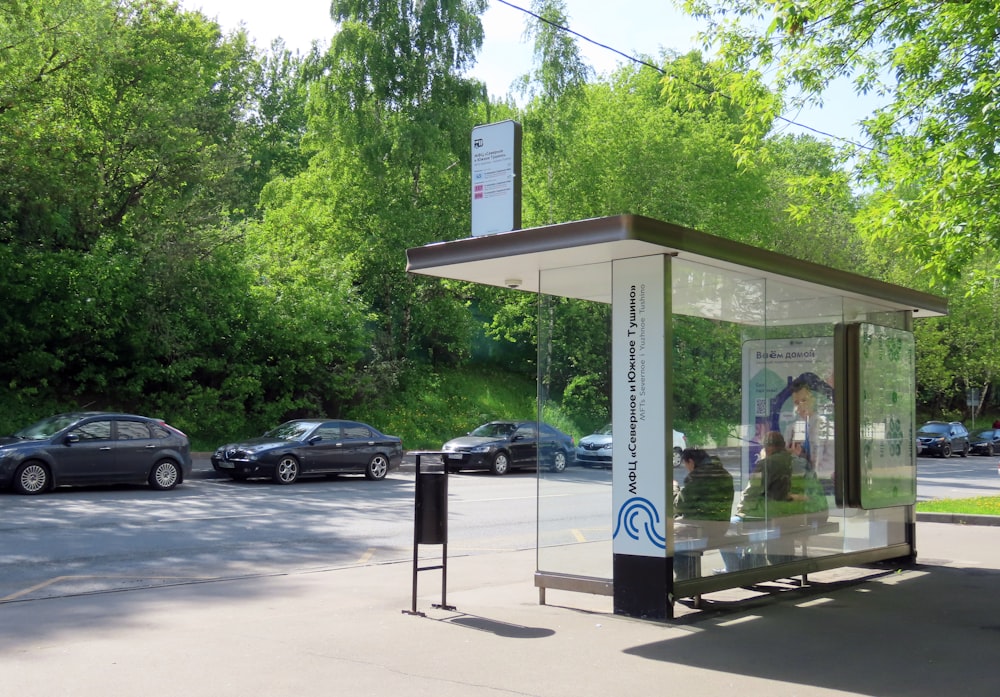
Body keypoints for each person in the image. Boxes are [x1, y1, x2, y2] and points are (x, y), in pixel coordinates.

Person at [673, 448, 735, 580]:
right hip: (721, 527)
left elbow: (680, 506)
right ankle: (690, 578)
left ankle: (685, 580)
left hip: (703, 528)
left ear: (691, 461)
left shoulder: (698, 476)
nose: (686, 468)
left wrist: (674, 488)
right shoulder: (724, 474)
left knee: (670, 534)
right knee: (679, 527)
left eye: (686, 464)